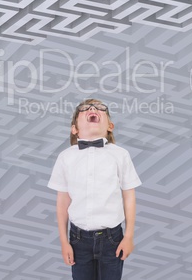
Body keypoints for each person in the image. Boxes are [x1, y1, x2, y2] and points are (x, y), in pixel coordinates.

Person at [47, 98, 142, 280]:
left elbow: (129, 196)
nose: (93, 109)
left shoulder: (120, 155)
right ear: (74, 128)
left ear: (110, 126)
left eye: (100, 108)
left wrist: (128, 236)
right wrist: (63, 241)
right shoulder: (65, 157)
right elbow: (62, 201)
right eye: (85, 109)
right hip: (78, 239)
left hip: (112, 238)